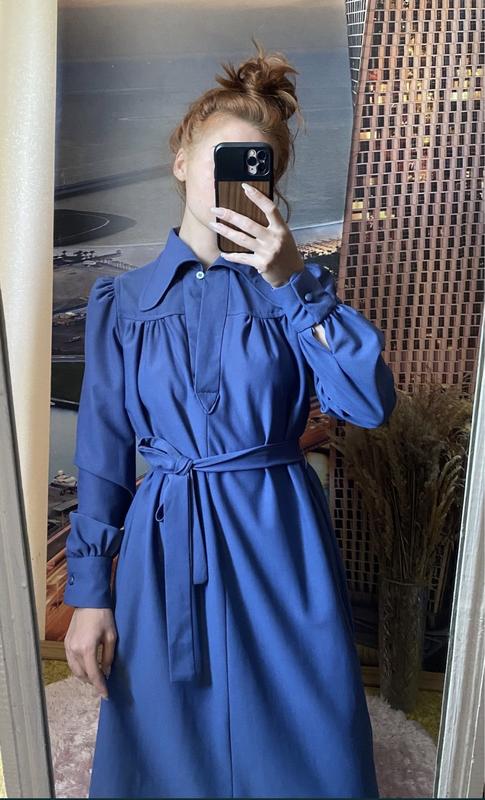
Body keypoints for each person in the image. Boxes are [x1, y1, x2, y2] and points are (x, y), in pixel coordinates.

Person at [63, 37, 396, 799]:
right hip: (164, 539)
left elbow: (366, 404)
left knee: (308, 737)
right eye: (220, 160)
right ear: (181, 160)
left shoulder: (296, 292)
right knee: (165, 742)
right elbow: (103, 456)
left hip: (279, 534)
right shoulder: (122, 302)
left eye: (253, 168)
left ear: (269, 184)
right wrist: (89, 594)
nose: (231, 183)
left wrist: (292, 279)